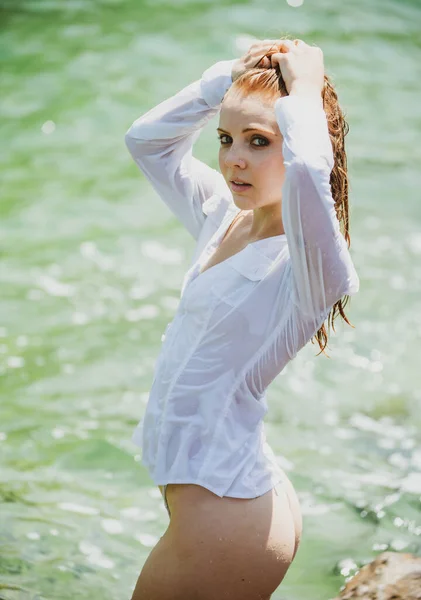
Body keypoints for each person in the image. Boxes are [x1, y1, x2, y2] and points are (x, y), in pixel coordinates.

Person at [125, 36, 359, 600]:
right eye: (227, 139)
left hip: (229, 518)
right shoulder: (224, 217)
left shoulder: (312, 270)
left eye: (259, 142)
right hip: (222, 502)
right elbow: (146, 144)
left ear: (302, 142)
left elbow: (308, 176)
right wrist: (223, 79)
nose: (234, 158)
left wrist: (303, 92)